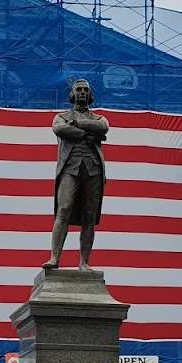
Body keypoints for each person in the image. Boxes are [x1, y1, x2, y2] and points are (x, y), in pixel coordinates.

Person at [43, 78, 109, 271]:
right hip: (70, 169)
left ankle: (84, 262)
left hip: (93, 169)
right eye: (78, 89)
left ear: (89, 95)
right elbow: (59, 128)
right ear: (72, 94)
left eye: (85, 90)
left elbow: (103, 128)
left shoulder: (99, 118)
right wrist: (87, 134)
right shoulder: (61, 116)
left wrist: (78, 123)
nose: (82, 92)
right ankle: (54, 258)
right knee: (63, 210)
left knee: (89, 216)